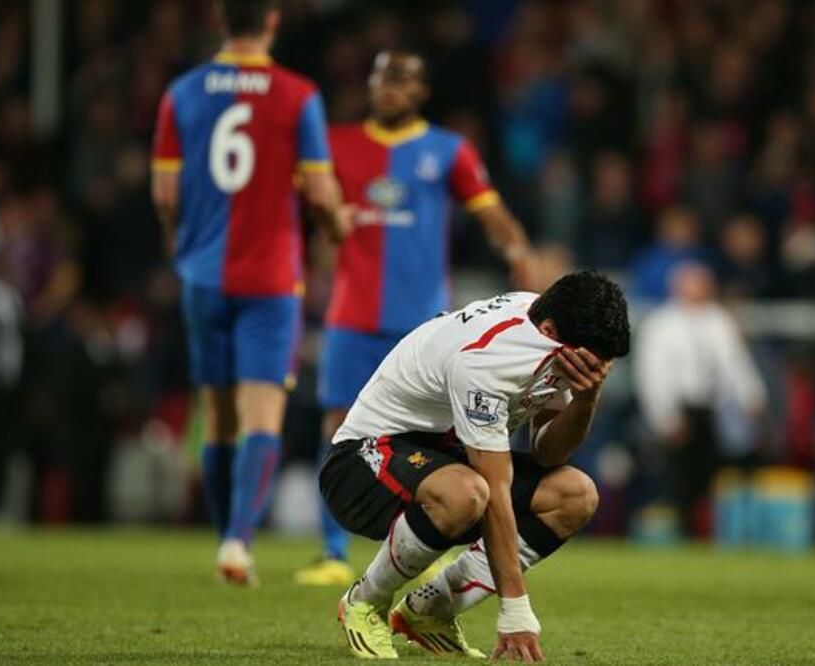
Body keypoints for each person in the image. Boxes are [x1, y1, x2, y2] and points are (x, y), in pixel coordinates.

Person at [295, 49, 537, 586]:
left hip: (424, 325)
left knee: (439, 434)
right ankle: (332, 551)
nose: (389, 88)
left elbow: (492, 216)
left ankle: (438, 536)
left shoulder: (448, 151)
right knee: (338, 426)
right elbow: (312, 212)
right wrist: (325, 232)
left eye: (401, 80)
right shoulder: (337, 143)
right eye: (381, 78)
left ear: (422, 91)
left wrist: (519, 258)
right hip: (351, 313)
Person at [319, 271, 630, 661]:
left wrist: (586, 399)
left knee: (575, 495)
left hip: (448, 460)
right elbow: (494, 487)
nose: (596, 370)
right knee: (468, 492)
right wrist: (515, 611)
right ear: (550, 331)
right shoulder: (488, 360)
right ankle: (365, 600)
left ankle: (430, 610)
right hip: (359, 467)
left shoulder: (546, 324)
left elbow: (548, 454)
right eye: (593, 361)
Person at [150, 0, 348, 585]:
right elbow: (319, 191)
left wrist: (183, 240)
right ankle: (238, 540)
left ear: (219, 20)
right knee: (263, 413)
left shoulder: (181, 93)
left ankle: (225, 539)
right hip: (270, 279)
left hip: (203, 275)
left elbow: (164, 194)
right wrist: (337, 225)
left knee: (217, 417)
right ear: (272, 21)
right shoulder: (297, 95)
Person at [636, 263, 767, 537]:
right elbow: (652, 375)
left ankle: (709, 533)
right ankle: (681, 533)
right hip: (681, 409)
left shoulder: (718, 321)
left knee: (714, 478)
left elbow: (735, 364)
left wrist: (752, 397)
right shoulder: (660, 324)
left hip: (713, 410)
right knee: (680, 479)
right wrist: (665, 417)